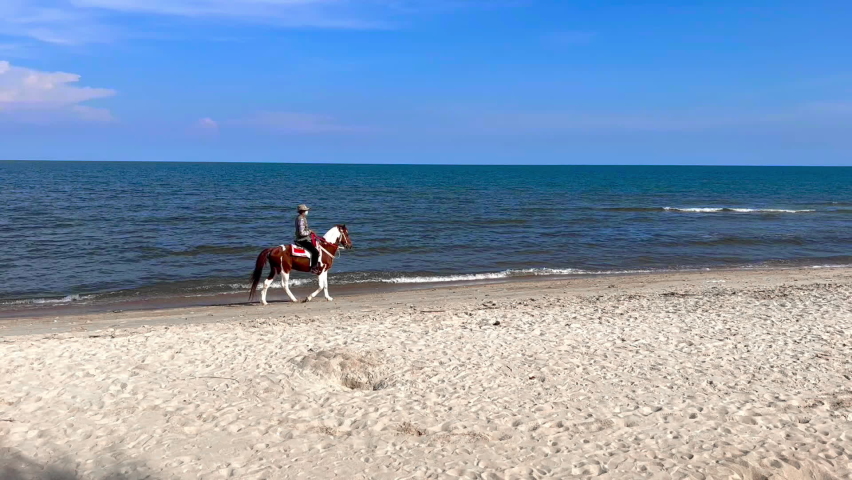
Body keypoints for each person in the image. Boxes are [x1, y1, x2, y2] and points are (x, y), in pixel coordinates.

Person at [294, 204, 322, 274]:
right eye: (306, 210)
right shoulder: (301, 219)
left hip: (303, 238)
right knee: (315, 252)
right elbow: (301, 233)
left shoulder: (300, 218)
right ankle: (313, 268)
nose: (307, 212)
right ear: (303, 211)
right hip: (302, 240)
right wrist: (310, 231)